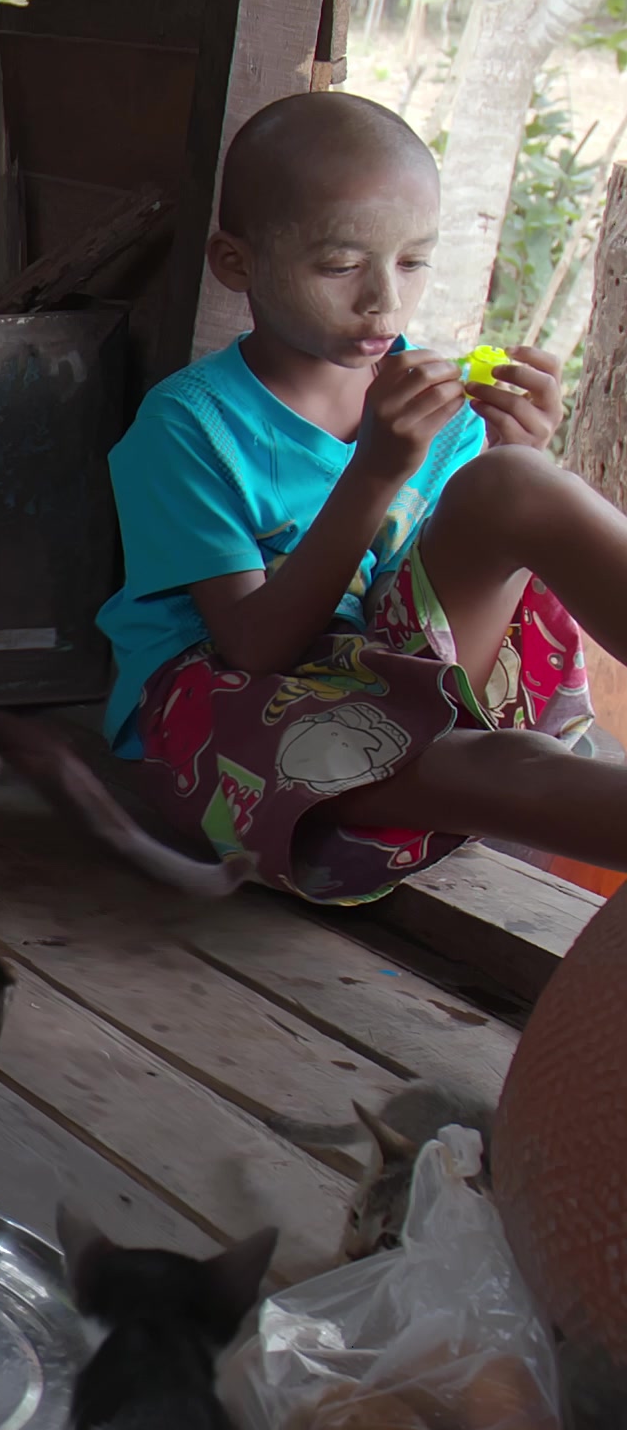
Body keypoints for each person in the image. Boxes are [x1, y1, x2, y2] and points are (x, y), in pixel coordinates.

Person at [99, 89, 621, 903]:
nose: (384, 299)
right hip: (244, 720)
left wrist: (516, 456)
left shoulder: (431, 407)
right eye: (341, 265)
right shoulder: (189, 429)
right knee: (506, 765)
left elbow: (439, 602)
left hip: (402, 678)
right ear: (237, 263)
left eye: (413, 261)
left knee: (514, 482)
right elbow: (254, 647)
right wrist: (374, 472)